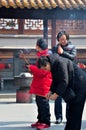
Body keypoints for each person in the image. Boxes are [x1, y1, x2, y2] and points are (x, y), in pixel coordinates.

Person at [37, 54, 86, 130]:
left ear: (47, 63)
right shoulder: (54, 64)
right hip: (74, 87)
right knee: (71, 112)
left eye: (45, 68)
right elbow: (56, 80)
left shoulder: (60, 63)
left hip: (80, 86)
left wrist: (56, 94)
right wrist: (51, 91)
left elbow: (64, 81)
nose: (45, 70)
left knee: (75, 113)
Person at [24, 38, 52, 129]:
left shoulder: (45, 56)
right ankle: (40, 120)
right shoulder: (41, 56)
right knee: (39, 103)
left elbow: (43, 72)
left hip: (44, 84)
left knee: (43, 103)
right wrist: (31, 68)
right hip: (40, 84)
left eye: (36, 45)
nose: (35, 47)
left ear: (39, 47)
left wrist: (31, 67)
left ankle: (46, 121)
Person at [52, 31, 77, 123]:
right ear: (58, 40)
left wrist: (62, 53)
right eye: (61, 39)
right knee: (57, 97)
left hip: (70, 75)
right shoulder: (55, 48)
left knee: (69, 98)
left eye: (64, 39)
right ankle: (58, 117)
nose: (63, 41)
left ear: (67, 38)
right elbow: (53, 59)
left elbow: (72, 57)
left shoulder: (72, 47)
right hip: (59, 76)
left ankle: (69, 117)